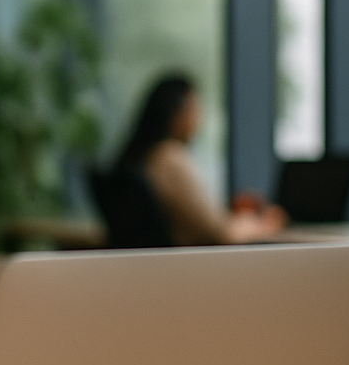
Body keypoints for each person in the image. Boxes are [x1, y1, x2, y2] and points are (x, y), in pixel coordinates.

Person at [114, 73, 287, 246]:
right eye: (194, 108)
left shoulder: (146, 158)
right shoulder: (169, 157)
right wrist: (263, 224)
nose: (198, 118)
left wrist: (229, 211)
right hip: (192, 261)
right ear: (176, 113)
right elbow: (220, 233)